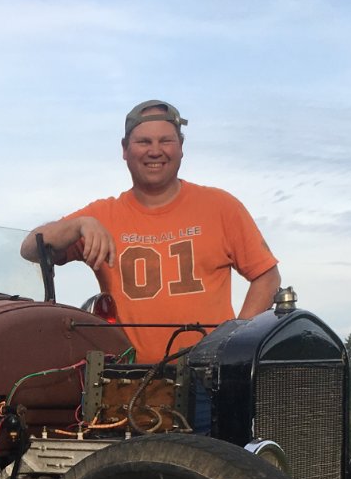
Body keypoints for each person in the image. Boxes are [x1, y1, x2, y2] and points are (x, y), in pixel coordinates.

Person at [20, 100, 281, 363]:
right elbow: (30, 249)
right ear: (125, 150)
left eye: (165, 141)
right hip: (128, 379)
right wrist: (78, 225)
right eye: (144, 142)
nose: (155, 151)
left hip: (209, 377)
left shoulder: (221, 207)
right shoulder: (101, 216)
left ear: (181, 147)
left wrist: (233, 345)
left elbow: (267, 277)